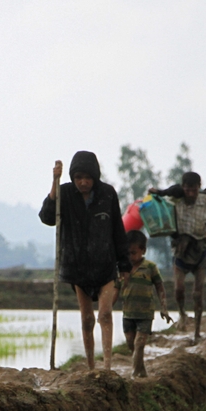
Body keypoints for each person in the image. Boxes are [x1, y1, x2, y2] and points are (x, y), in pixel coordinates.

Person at [39, 151, 131, 371]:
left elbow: (118, 230)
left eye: (88, 178)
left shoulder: (107, 194)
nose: (83, 182)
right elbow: (47, 217)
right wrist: (55, 181)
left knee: (105, 314)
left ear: (95, 177)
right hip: (77, 267)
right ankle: (91, 367)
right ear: (72, 177)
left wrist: (124, 265)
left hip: (105, 265)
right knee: (87, 318)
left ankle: (107, 366)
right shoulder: (65, 193)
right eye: (78, 177)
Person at [150, 172, 206, 343]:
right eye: (187, 190)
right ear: (183, 188)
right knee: (179, 289)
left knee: (198, 293)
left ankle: (197, 331)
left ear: (199, 187)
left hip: (200, 249)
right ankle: (182, 314)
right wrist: (156, 193)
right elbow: (163, 202)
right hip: (181, 250)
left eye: (193, 190)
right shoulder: (176, 199)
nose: (190, 194)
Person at [120, 230, 172, 378]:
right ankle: (141, 368)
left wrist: (164, 308)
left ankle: (135, 374)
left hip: (145, 313)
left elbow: (160, 287)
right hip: (128, 313)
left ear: (143, 251)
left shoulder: (150, 267)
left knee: (139, 343)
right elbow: (116, 288)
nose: (130, 257)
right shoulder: (123, 268)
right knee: (131, 342)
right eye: (127, 253)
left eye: (133, 253)